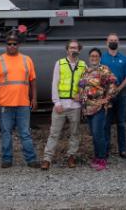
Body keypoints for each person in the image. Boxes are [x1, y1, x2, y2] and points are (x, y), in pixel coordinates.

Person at [0, 32, 39, 169]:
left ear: (18, 45)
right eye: (9, 44)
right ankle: (7, 159)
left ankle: (31, 159)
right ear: (6, 45)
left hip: (23, 104)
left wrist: (34, 98)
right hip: (5, 104)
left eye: (14, 44)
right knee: (6, 133)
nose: (12, 46)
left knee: (25, 133)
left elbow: (33, 81)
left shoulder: (26, 60)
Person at [42, 40, 86, 170]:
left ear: (79, 50)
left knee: (75, 133)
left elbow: (86, 85)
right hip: (61, 104)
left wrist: (82, 97)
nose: (73, 50)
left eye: (76, 48)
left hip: (76, 106)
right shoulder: (60, 63)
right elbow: (55, 83)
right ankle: (47, 159)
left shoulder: (83, 65)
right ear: (67, 50)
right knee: (54, 133)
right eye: (71, 48)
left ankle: (71, 156)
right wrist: (56, 102)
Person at [78, 48, 119, 171]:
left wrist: (106, 99)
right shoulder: (86, 71)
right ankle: (96, 157)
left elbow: (113, 84)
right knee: (94, 134)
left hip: (99, 107)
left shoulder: (104, 69)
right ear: (89, 57)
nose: (94, 58)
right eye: (92, 56)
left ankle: (102, 158)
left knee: (98, 134)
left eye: (96, 56)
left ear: (100, 58)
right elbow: (81, 87)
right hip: (88, 108)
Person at [102, 33, 126, 159]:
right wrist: (107, 92)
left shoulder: (124, 59)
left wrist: (118, 89)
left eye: (115, 40)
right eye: (111, 40)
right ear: (106, 42)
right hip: (106, 95)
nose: (113, 42)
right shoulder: (102, 58)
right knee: (106, 123)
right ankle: (106, 149)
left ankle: (123, 150)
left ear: (118, 43)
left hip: (121, 94)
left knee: (121, 123)